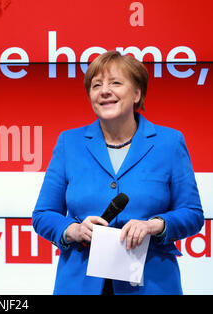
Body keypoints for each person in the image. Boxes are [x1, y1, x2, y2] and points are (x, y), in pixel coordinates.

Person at [32, 51, 204, 295]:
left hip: (151, 284)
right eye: (96, 85)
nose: (104, 91)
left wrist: (155, 225)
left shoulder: (170, 142)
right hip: (80, 284)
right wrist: (73, 230)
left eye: (115, 82)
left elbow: (193, 214)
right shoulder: (69, 142)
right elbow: (43, 214)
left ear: (137, 93)